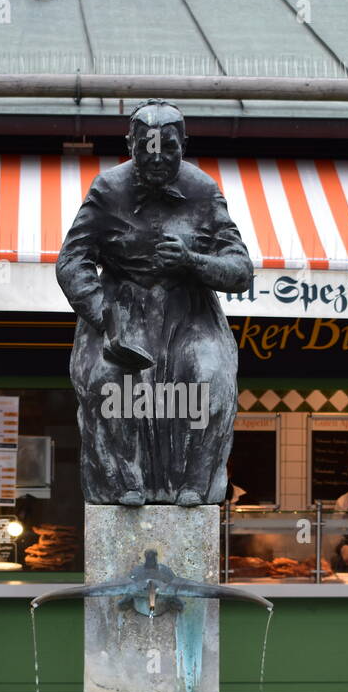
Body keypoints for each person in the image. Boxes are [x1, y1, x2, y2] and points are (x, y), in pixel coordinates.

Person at [56, 100, 253, 506]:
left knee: (210, 377)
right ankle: (122, 483)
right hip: (122, 312)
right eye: (147, 147)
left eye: (169, 148)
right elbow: (72, 260)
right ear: (130, 144)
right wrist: (103, 316)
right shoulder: (107, 189)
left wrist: (192, 261)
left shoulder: (204, 190)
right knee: (108, 381)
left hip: (189, 314)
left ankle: (195, 483)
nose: (158, 158)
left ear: (184, 144)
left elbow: (241, 271)